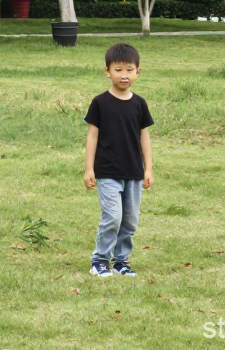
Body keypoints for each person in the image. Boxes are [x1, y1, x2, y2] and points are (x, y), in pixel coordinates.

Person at [83, 43, 154, 278]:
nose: (124, 75)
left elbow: (144, 136)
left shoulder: (139, 104)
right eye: (118, 69)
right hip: (107, 172)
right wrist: (89, 169)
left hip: (133, 171)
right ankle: (100, 260)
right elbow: (92, 136)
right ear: (107, 71)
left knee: (130, 221)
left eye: (129, 70)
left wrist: (148, 169)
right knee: (112, 217)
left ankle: (121, 261)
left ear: (138, 71)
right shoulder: (100, 103)